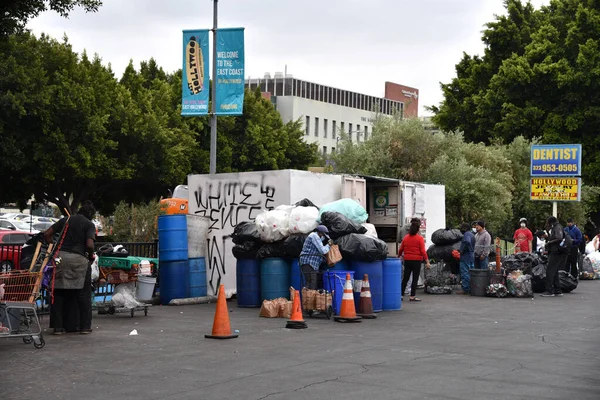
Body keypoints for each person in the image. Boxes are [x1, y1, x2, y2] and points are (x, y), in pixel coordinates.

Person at [44, 201, 96, 334]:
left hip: (60, 258)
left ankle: (58, 328)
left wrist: (52, 244)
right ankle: (84, 327)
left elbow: (47, 234)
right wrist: (90, 256)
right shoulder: (89, 224)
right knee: (83, 295)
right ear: (90, 215)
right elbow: (90, 245)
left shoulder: (65, 220)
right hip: (79, 260)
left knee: (59, 293)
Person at [398, 218, 430, 302]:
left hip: (407, 259)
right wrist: (427, 261)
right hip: (416, 260)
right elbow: (423, 251)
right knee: (415, 278)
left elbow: (401, 249)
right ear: (418, 229)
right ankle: (412, 296)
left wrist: (399, 256)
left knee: (405, 277)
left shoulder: (406, 238)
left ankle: (401, 295)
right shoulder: (420, 239)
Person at [299, 225, 331, 290]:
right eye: (323, 235)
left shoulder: (316, 237)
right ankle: (308, 299)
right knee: (311, 283)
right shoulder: (314, 236)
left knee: (312, 283)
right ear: (320, 233)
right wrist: (328, 245)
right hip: (308, 262)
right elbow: (323, 251)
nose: (323, 237)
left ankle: (308, 298)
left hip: (310, 264)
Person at [541, 216, 566, 297]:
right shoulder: (557, 227)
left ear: (551, 222)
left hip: (555, 252)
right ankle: (557, 289)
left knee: (550, 270)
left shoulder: (557, 227)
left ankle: (549, 290)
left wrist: (549, 243)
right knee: (554, 271)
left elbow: (559, 238)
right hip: (556, 251)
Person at [457, 222, 475, 295]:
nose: (461, 229)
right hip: (471, 256)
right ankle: (471, 288)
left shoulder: (466, 234)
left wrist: (462, 250)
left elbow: (467, 242)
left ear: (465, 228)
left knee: (465, 273)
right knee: (471, 273)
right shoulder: (472, 234)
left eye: (462, 227)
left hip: (465, 257)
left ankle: (465, 289)